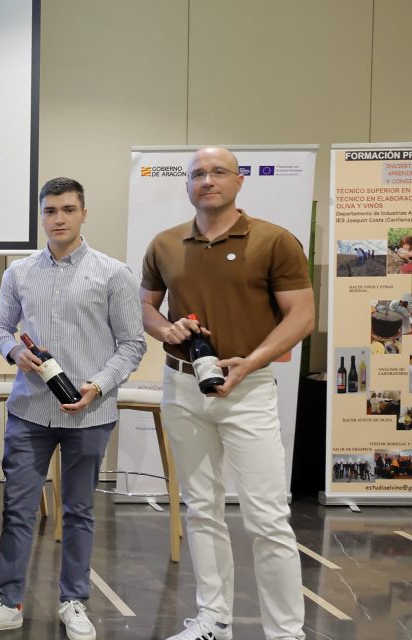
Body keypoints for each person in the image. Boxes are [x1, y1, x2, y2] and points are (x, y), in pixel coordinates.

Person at [141, 146, 314, 640]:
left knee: (267, 518)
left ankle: (285, 632)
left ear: (240, 182)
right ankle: (213, 620)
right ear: (187, 185)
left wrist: (251, 363)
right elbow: (147, 309)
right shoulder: (165, 243)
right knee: (201, 507)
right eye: (198, 174)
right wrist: (163, 329)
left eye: (219, 172)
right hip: (182, 386)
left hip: (249, 389)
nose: (207, 181)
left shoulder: (274, 241)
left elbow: (302, 316)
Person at [0, 178, 145, 640]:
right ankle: (8, 601)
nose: (58, 218)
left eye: (67, 209)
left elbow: (132, 344)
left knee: (80, 511)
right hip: (29, 411)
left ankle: (74, 601)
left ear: (84, 214)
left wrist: (99, 385)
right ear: (41, 216)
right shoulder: (19, 272)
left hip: (90, 413)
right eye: (49, 211)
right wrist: (12, 352)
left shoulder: (114, 273)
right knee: (18, 509)